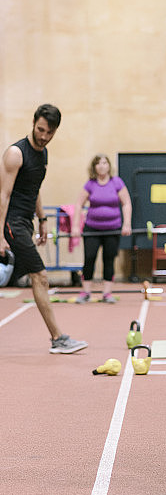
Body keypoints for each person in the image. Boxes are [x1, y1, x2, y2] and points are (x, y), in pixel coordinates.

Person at [0, 104, 88, 354]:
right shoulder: (16, 154)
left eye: (49, 132)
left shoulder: (43, 154)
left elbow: (34, 187)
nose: (43, 136)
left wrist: (42, 220)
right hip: (11, 222)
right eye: (40, 130)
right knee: (40, 275)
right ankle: (57, 338)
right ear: (33, 123)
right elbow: (3, 196)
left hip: (25, 222)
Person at [72, 154, 132, 303]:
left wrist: (127, 224)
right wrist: (74, 226)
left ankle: (107, 293)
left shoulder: (116, 182)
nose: (102, 166)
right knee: (89, 258)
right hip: (92, 228)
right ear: (94, 167)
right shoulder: (90, 184)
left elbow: (126, 203)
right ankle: (86, 292)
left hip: (112, 229)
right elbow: (79, 204)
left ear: (109, 166)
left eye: (104, 163)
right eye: (98, 163)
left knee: (109, 259)